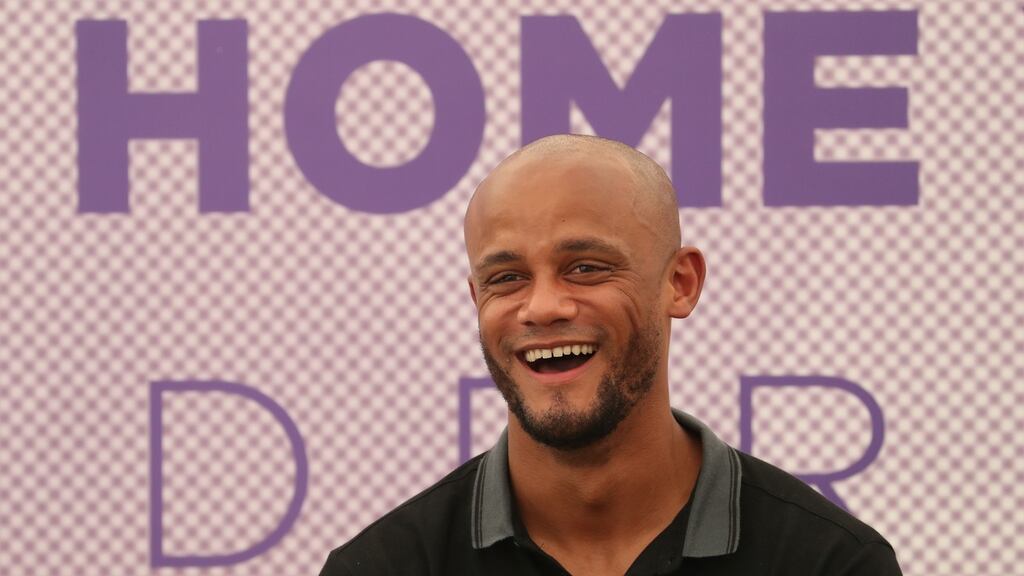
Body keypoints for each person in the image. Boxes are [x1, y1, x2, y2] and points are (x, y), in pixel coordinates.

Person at [318, 135, 901, 575]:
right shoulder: (383, 567)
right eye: (507, 277)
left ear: (680, 283)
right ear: (477, 300)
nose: (542, 306)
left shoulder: (829, 564)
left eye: (586, 268)